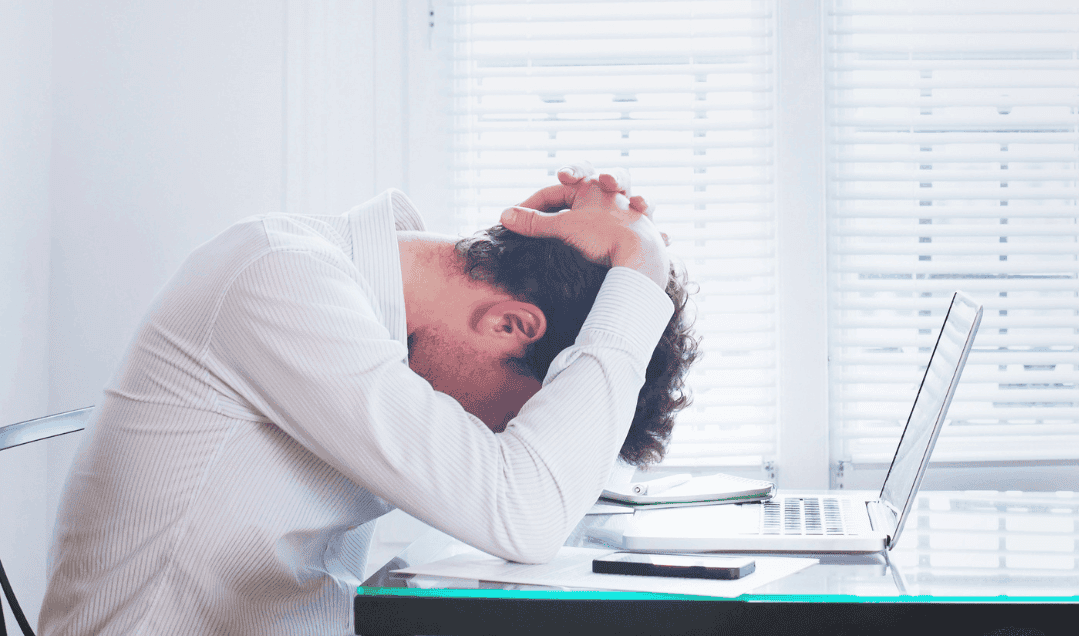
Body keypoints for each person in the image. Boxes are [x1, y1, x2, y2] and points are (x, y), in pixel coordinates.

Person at [38, 166, 697, 636]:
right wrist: (640, 270)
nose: (501, 438)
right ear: (508, 326)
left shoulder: (354, 301)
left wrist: (570, 264)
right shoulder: (281, 279)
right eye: (517, 422)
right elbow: (522, 509)